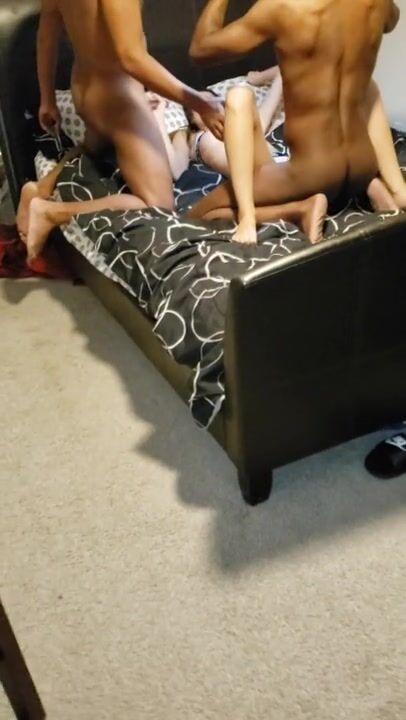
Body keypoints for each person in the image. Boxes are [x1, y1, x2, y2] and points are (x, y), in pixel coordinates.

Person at [17, 0, 224, 257]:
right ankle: (51, 212)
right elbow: (131, 58)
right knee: (158, 203)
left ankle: (41, 186)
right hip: (118, 100)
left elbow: (46, 37)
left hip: (84, 90)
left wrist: (47, 99)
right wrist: (200, 102)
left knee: (95, 144)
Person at [187, 0, 403, 244]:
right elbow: (391, 20)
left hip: (313, 173)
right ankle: (393, 188)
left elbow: (201, 50)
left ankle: (288, 212)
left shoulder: (283, 6)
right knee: (367, 85)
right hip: (363, 165)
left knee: (198, 214)